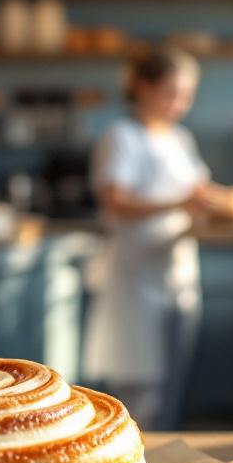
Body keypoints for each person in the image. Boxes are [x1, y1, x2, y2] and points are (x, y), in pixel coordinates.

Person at [82, 48, 224, 430]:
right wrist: (182, 202)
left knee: (171, 387)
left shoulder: (180, 139)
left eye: (186, 95)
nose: (180, 104)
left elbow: (201, 190)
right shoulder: (121, 138)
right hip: (134, 275)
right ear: (142, 88)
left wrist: (229, 201)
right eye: (171, 94)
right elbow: (115, 200)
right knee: (139, 393)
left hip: (176, 271)